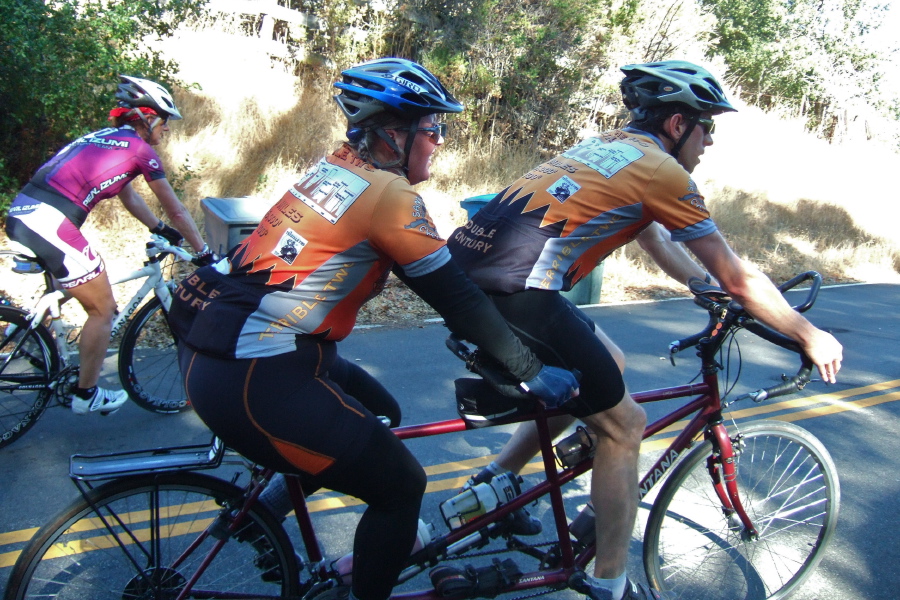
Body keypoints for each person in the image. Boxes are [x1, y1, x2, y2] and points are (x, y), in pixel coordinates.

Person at [166, 58, 578, 600]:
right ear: (393, 134)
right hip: (254, 369)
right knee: (402, 486)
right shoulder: (388, 195)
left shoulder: (335, 168)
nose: (439, 142)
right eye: (434, 129)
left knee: (382, 411)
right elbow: (454, 296)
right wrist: (529, 369)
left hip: (223, 342)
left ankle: (263, 511)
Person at [445, 60, 844, 600]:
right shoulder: (664, 171)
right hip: (514, 297)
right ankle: (608, 581)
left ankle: (497, 484)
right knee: (625, 426)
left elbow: (653, 240)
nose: (710, 142)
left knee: (608, 362)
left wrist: (702, 287)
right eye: (708, 127)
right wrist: (806, 333)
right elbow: (740, 277)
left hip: (467, 284)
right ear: (678, 124)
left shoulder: (609, 147)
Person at [4, 75, 212, 416]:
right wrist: (203, 252)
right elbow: (176, 208)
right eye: (164, 121)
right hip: (51, 223)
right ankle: (85, 394)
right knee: (104, 309)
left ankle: (24, 330)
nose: (167, 130)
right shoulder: (142, 151)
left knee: (71, 287)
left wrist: (157, 228)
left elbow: (127, 193)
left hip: (23, 212)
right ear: (147, 118)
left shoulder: (103, 138)